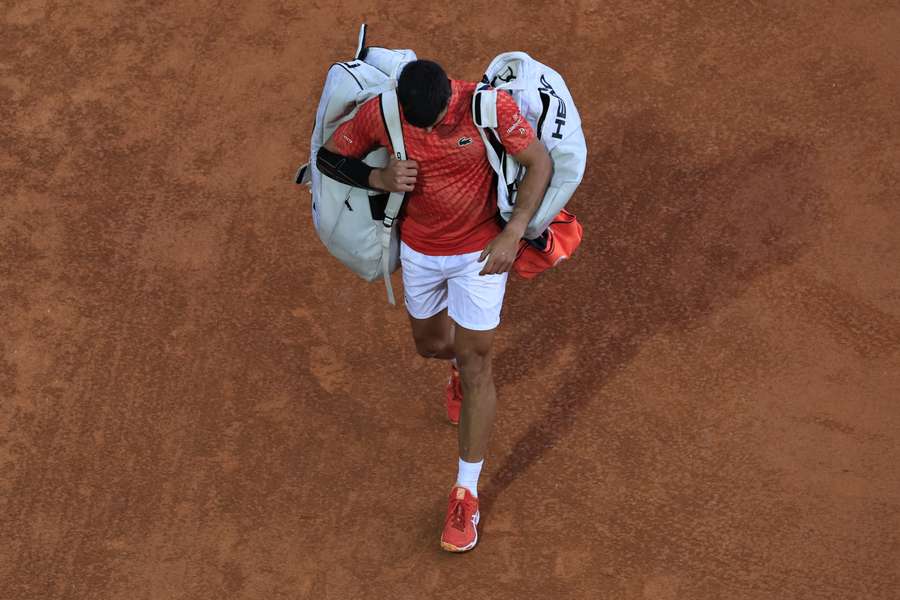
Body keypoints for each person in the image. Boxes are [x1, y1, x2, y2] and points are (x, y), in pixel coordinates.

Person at [316, 59, 551, 552]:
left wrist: (513, 231)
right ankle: (456, 370)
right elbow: (329, 158)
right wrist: (377, 180)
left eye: (433, 121)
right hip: (421, 252)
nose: (423, 130)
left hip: (481, 252)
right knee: (429, 345)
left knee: (477, 361)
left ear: (449, 97)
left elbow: (539, 163)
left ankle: (465, 493)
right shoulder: (385, 113)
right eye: (414, 122)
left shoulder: (488, 108)